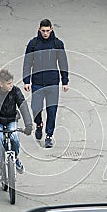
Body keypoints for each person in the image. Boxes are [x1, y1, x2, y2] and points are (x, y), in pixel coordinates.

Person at [22, 18, 69, 148]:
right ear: (39, 30)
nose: (45, 33)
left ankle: (49, 135)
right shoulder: (33, 44)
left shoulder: (57, 44)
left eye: (48, 31)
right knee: (36, 108)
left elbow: (63, 62)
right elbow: (27, 62)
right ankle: (39, 124)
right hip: (37, 82)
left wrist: (65, 81)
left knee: (52, 110)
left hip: (52, 82)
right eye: (43, 31)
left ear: (51, 29)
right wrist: (26, 80)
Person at [0, 69, 33, 181]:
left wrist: (28, 125)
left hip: (11, 119)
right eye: (8, 84)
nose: (11, 85)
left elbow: (23, 107)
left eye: (11, 83)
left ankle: (16, 158)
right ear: (1, 84)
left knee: (14, 136)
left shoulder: (15, 91)